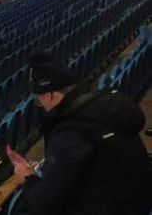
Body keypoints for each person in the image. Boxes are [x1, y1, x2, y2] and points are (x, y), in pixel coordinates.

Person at [12, 53, 152, 215]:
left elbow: (45, 204)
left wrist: (28, 178)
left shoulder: (72, 134)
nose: (41, 105)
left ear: (50, 95)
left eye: (39, 99)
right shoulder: (104, 109)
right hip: (134, 201)